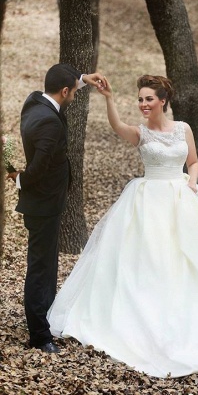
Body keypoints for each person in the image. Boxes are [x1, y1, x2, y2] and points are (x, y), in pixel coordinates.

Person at [47, 74, 198, 377]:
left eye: (148, 99)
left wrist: (192, 184)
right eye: (140, 99)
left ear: (162, 101)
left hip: (180, 199)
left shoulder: (183, 129)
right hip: (148, 200)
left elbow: (193, 162)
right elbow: (116, 127)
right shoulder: (141, 134)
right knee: (151, 258)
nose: (143, 104)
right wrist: (110, 98)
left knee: (191, 258)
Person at [7, 64, 106, 353]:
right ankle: (39, 335)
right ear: (63, 91)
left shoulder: (34, 102)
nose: (74, 96)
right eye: (74, 91)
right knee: (41, 267)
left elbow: (61, 83)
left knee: (46, 263)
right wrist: (19, 178)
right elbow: (38, 168)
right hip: (44, 204)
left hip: (44, 203)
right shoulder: (49, 122)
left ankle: (46, 317)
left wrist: (83, 79)